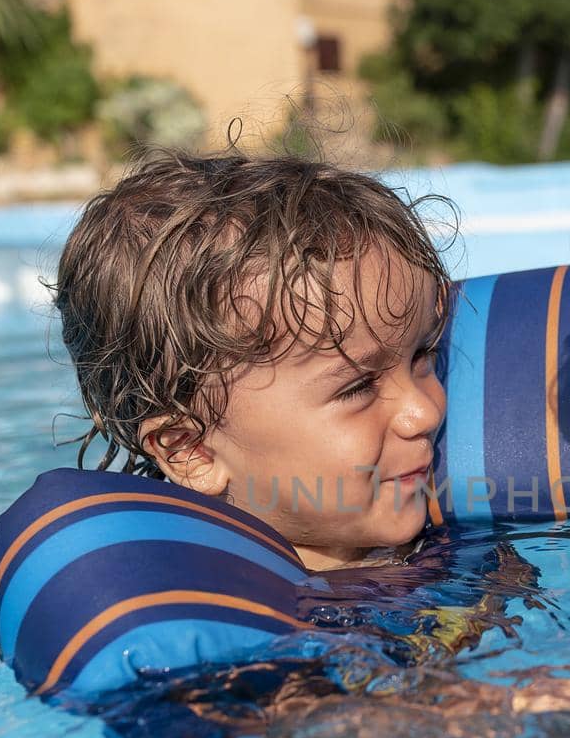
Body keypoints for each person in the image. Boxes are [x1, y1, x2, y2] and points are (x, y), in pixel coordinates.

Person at [55, 149, 448, 573]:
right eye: (357, 387)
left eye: (422, 354)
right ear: (194, 451)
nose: (424, 412)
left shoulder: (454, 531)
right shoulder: (216, 615)